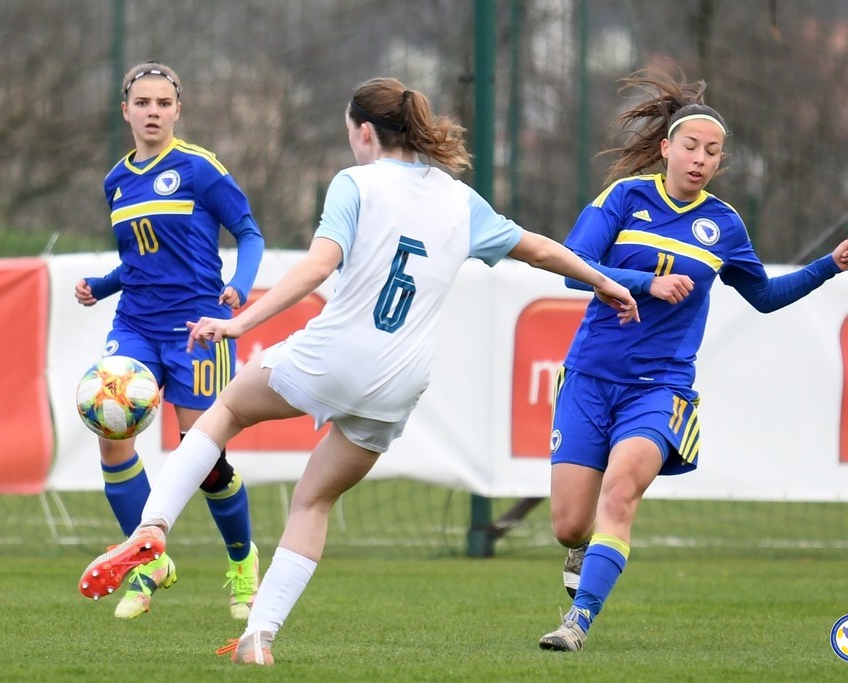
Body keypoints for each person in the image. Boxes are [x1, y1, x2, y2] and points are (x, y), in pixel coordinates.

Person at [78, 76, 638, 664]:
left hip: (334, 354)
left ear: (364, 131)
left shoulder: (356, 183)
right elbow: (540, 249)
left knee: (223, 415)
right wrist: (604, 282)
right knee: (313, 502)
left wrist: (241, 323)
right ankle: (258, 638)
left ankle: (154, 525)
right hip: (399, 382)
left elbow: (319, 266)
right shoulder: (459, 199)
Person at [539, 68, 848, 652]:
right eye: (691, 146)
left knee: (621, 489)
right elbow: (572, 268)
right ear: (667, 148)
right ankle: (579, 548)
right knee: (569, 523)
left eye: (712, 152)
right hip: (589, 376)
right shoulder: (625, 197)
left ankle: (577, 622)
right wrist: (645, 283)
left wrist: (829, 266)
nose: (700, 159)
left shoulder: (725, 225)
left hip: (659, 388)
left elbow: (764, 296)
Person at [74, 61, 265, 621]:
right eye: (142, 103)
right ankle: (148, 563)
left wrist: (239, 286)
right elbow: (141, 259)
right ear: (125, 111)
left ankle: (242, 560)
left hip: (197, 330)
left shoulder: (200, 168)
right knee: (111, 434)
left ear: (178, 110)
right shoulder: (116, 179)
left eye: (162, 103)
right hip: (135, 323)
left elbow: (249, 231)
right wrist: (102, 285)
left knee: (203, 460)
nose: (152, 112)